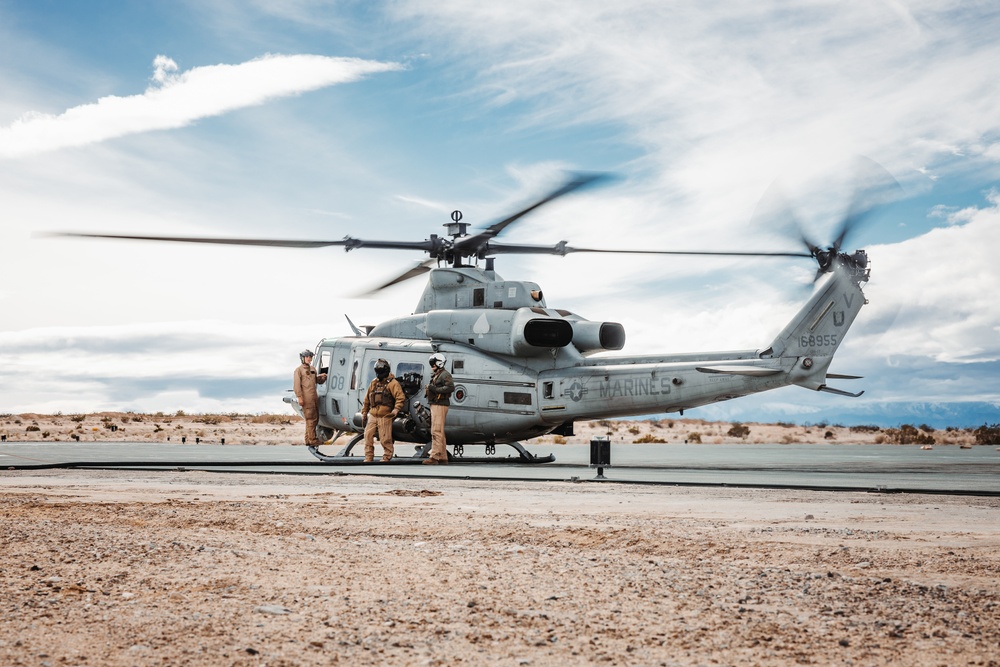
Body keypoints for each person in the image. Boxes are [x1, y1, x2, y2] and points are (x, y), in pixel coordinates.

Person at [361, 358, 405, 462]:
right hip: (373, 414)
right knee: (367, 436)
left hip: (385, 415)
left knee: (385, 438)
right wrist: (364, 412)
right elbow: (367, 399)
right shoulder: (374, 383)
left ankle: (387, 457)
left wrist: (395, 410)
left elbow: (400, 397)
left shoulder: (393, 383)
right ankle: (368, 457)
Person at [422, 352, 454, 465]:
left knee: (436, 431)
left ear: (439, 363)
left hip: (440, 404)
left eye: (433, 364)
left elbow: (450, 387)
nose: (432, 366)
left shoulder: (445, 375)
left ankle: (434, 456)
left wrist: (434, 389)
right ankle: (443, 457)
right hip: (436, 404)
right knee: (439, 431)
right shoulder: (438, 374)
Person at [293, 349, 327, 446]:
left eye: (310, 357)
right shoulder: (298, 371)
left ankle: (308, 439)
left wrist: (322, 377)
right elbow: (296, 385)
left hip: (314, 397)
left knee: (314, 419)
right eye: (307, 357)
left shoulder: (312, 369)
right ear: (303, 358)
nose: (309, 358)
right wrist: (299, 397)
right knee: (310, 419)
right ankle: (312, 440)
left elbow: (315, 380)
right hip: (306, 398)